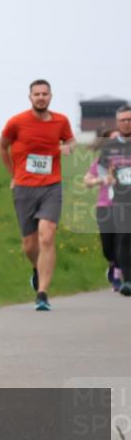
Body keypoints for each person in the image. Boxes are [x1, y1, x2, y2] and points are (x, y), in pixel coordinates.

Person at [0, 79, 77, 311]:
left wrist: (68, 147)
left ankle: (42, 293)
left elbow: (71, 140)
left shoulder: (61, 121)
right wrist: (13, 173)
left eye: (45, 94)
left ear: (50, 96)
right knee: (29, 245)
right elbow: (2, 146)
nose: (41, 97)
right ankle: (36, 268)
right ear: (30, 97)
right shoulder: (17, 122)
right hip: (24, 187)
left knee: (47, 235)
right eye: (37, 94)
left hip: (52, 186)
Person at [96, 105, 131, 297]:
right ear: (118, 123)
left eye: (129, 119)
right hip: (120, 199)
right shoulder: (109, 147)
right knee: (123, 237)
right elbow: (101, 167)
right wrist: (106, 177)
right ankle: (128, 280)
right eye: (123, 120)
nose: (126, 123)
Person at [83, 128, 123, 292]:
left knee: (123, 241)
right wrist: (102, 179)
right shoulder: (100, 163)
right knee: (108, 246)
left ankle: (119, 276)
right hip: (104, 206)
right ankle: (113, 265)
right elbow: (87, 181)